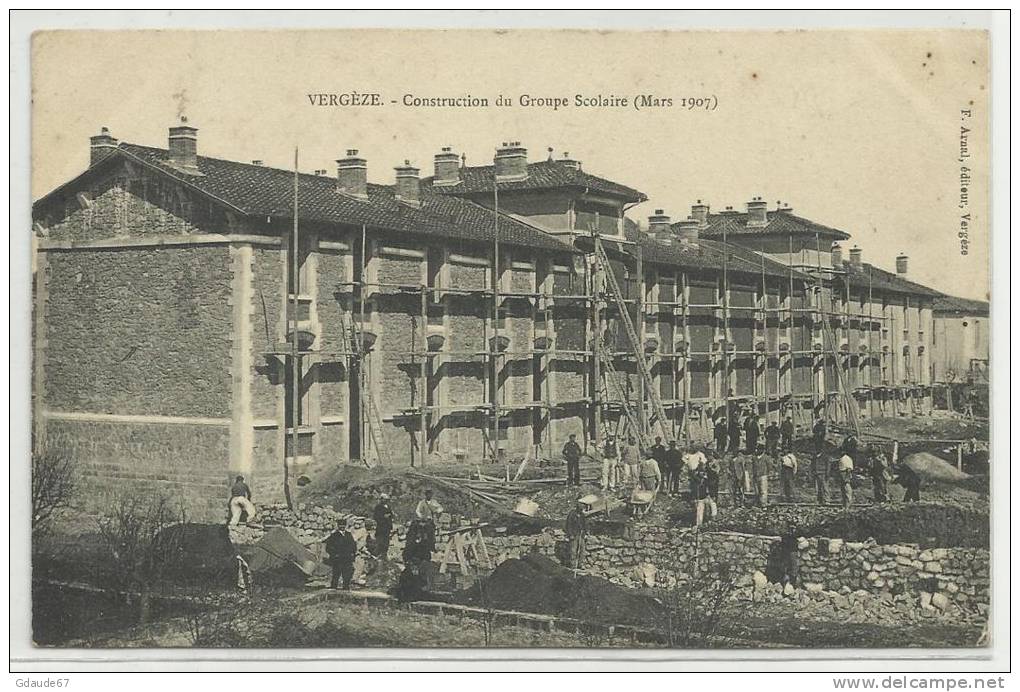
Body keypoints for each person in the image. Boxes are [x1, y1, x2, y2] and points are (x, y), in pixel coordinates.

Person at [325, 520, 357, 590]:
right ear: (338, 526)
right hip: (338, 559)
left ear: (345, 526)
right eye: (340, 525)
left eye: (343, 525)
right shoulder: (334, 535)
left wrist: (353, 554)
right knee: (336, 574)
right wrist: (334, 555)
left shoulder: (349, 534)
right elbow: (328, 547)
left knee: (347, 574)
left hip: (347, 558)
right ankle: (333, 589)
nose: (342, 527)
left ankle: (346, 588)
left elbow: (353, 545)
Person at [564, 498, 588, 568]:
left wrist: (585, 533)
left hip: (581, 535)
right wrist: (570, 534)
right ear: (577, 507)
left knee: (582, 550)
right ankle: (573, 564)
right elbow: (568, 525)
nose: (582, 508)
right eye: (581, 506)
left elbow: (584, 525)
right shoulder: (572, 514)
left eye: (583, 507)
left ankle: (581, 564)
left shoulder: (582, 515)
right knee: (573, 550)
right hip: (574, 535)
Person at [372, 493, 394, 560]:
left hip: (387, 527)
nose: (386, 501)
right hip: (381, 527)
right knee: (380, 541)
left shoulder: (388, 506)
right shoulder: (378, 507)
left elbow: (391, 514)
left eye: (387, 499)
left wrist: (390, 516)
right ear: (381, 499)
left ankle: (384, 554)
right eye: (385, 499)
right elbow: (375, 517)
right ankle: (377, 554)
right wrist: (383, 517)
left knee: (386, 541)